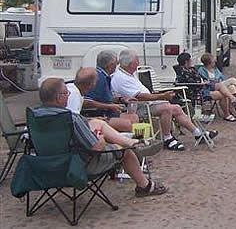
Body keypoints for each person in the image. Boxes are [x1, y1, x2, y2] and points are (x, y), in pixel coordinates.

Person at [38, 78, 168, 197]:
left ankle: (133, 142)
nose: (68, 96)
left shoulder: (35, 116)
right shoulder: (70, 118)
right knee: (124, 151)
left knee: (97, 123)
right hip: (78, 165)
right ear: (59, 97)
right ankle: (144, 186)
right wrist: (100, 136)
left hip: (46, 164)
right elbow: (96, 147)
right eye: (67, 94)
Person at [111, 49, 217, 151]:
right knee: (167, 108)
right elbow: (139, 97)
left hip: (146, 103)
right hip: (138, 107)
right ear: (130, 64)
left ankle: (198, 134)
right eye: (137, 61)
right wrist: (162, 96)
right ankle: (167, 138)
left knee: (176, 107)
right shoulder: (121, 78)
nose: (138, 63)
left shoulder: (129, 73)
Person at [80, 50, 140, 132]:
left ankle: (130, 141)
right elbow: (86, 102)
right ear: (111, 65)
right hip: (98, 114)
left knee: (134, 117)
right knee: (127, 124)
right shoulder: (97, 78)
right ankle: (123, 142)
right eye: (116, 64)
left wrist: (121, 99)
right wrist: (110, 106)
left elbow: (105, 98)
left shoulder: (105, 76)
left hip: (108, 112)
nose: (117, 66)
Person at [176, 52, 236, 121]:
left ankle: (232, 100)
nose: (191, 61)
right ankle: (227, 114)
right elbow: (191, 83)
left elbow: (200, 77)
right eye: (190, 60)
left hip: (202, 87)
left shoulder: (191, 69)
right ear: (186, 61)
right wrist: (202, 82)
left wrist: (205, 80)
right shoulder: (183, 72)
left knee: (220, 85)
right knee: (222, 94)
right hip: (196, 91)